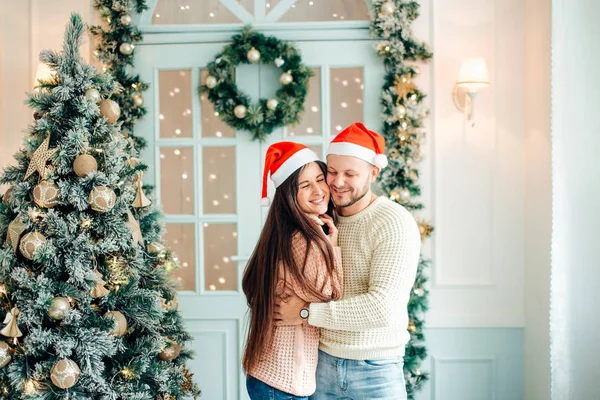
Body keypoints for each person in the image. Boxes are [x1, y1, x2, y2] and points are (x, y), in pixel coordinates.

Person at [274, 122, 421, 400]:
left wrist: (306, 312)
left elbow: (382, 308)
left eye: (350, 173)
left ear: (374, 172)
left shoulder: (394, 222)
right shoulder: (319, 217)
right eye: (332, 171)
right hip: (319, 367)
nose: (338, 182)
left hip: (376, 371)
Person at [242, 142, 344, 399]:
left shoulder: (284, 234)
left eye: (320, 179)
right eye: (305, 185)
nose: (318, 190)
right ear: (289, 195)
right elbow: (332, 297)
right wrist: (333, 247)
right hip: (283, 382)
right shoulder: (307, 239)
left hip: (268, 376)